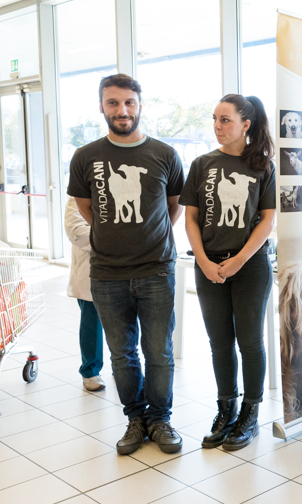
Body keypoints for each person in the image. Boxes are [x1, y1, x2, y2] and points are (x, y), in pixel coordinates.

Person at [67, 74, 185, 456]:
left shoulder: (165, 154)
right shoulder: (85, 157)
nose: (122, 110)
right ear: (101, 106)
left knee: (159, 351)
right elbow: (87, 210)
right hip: (106, 274)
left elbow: (173, 208)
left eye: (129, 102)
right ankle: (135, 419)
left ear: (139, 105)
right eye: (113, 103)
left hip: (156, 271)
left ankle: (160, 419)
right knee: (122, 355)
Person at [180, 94, 275, 451]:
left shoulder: (263, 165)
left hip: (250, 266)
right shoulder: (202, 163)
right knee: (220, 343)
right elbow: (190, 217)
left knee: (249, 342)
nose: (218, 127)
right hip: (208, 264)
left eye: (226, 120)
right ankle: (226, 411)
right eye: (215, 120)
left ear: (245, 125)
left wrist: (239, 260)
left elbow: (267, 220)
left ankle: (250, 414)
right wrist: (203, 261)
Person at [64, 198, 105, 392]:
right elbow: (75, 230)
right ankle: (90, 372)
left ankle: (125, 367)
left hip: (123, 266)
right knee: (92, 322)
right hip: (92, 266)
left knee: (127, 321)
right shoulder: (80, 193)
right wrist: (113, 241)